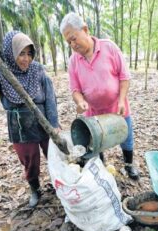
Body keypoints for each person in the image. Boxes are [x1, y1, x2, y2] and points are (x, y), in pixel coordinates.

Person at [0, 29, 60, 207]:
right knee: (30, 162)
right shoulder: (1, 71)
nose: (26, 59)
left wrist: (54, 124)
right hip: (20, 127)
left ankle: (60, 184)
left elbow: (50, 98)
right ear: (11, 54)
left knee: (55, 156)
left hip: (44, 123)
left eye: (29, 54)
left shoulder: (38, 69)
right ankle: (35, 189)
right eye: (21, 54)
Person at [59, 13, 140, 180]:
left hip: (117, 107)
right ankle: (101, 167)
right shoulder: (74, 61)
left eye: (74, 39)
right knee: (96, 142)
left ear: (85, 29)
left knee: (126, 136)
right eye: (69, 42)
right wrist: (80, 101)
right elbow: (75, 89)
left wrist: (121, 100)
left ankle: (129, 165)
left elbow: (124, 77)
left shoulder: (109, 47)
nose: (73, 45)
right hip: (93, 113)